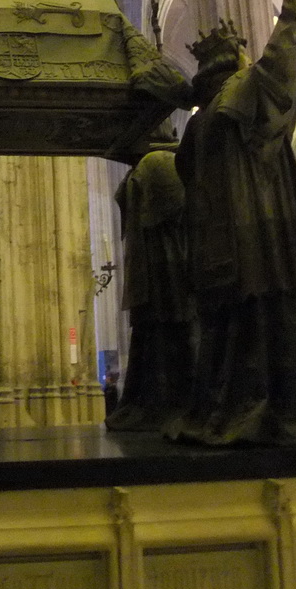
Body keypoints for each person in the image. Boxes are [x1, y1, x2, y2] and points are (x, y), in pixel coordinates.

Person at [169, 0, 296, 445]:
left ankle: (224, 410)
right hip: (263, 242)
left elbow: (265, 125)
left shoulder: (199, 127)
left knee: (229, 339)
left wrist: (291, 106)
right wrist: (294, 9)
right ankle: (285, 414)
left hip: (221, 253)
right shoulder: (241, 92)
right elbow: (276, 71)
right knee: (280, 328)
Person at [105, 122, 196, 432]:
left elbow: (173, 209)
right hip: (159, 266)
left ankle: (164, 405)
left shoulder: (159, 162)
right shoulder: (157, 164)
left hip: (164, 266)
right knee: (165, 334)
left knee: (167, 332)